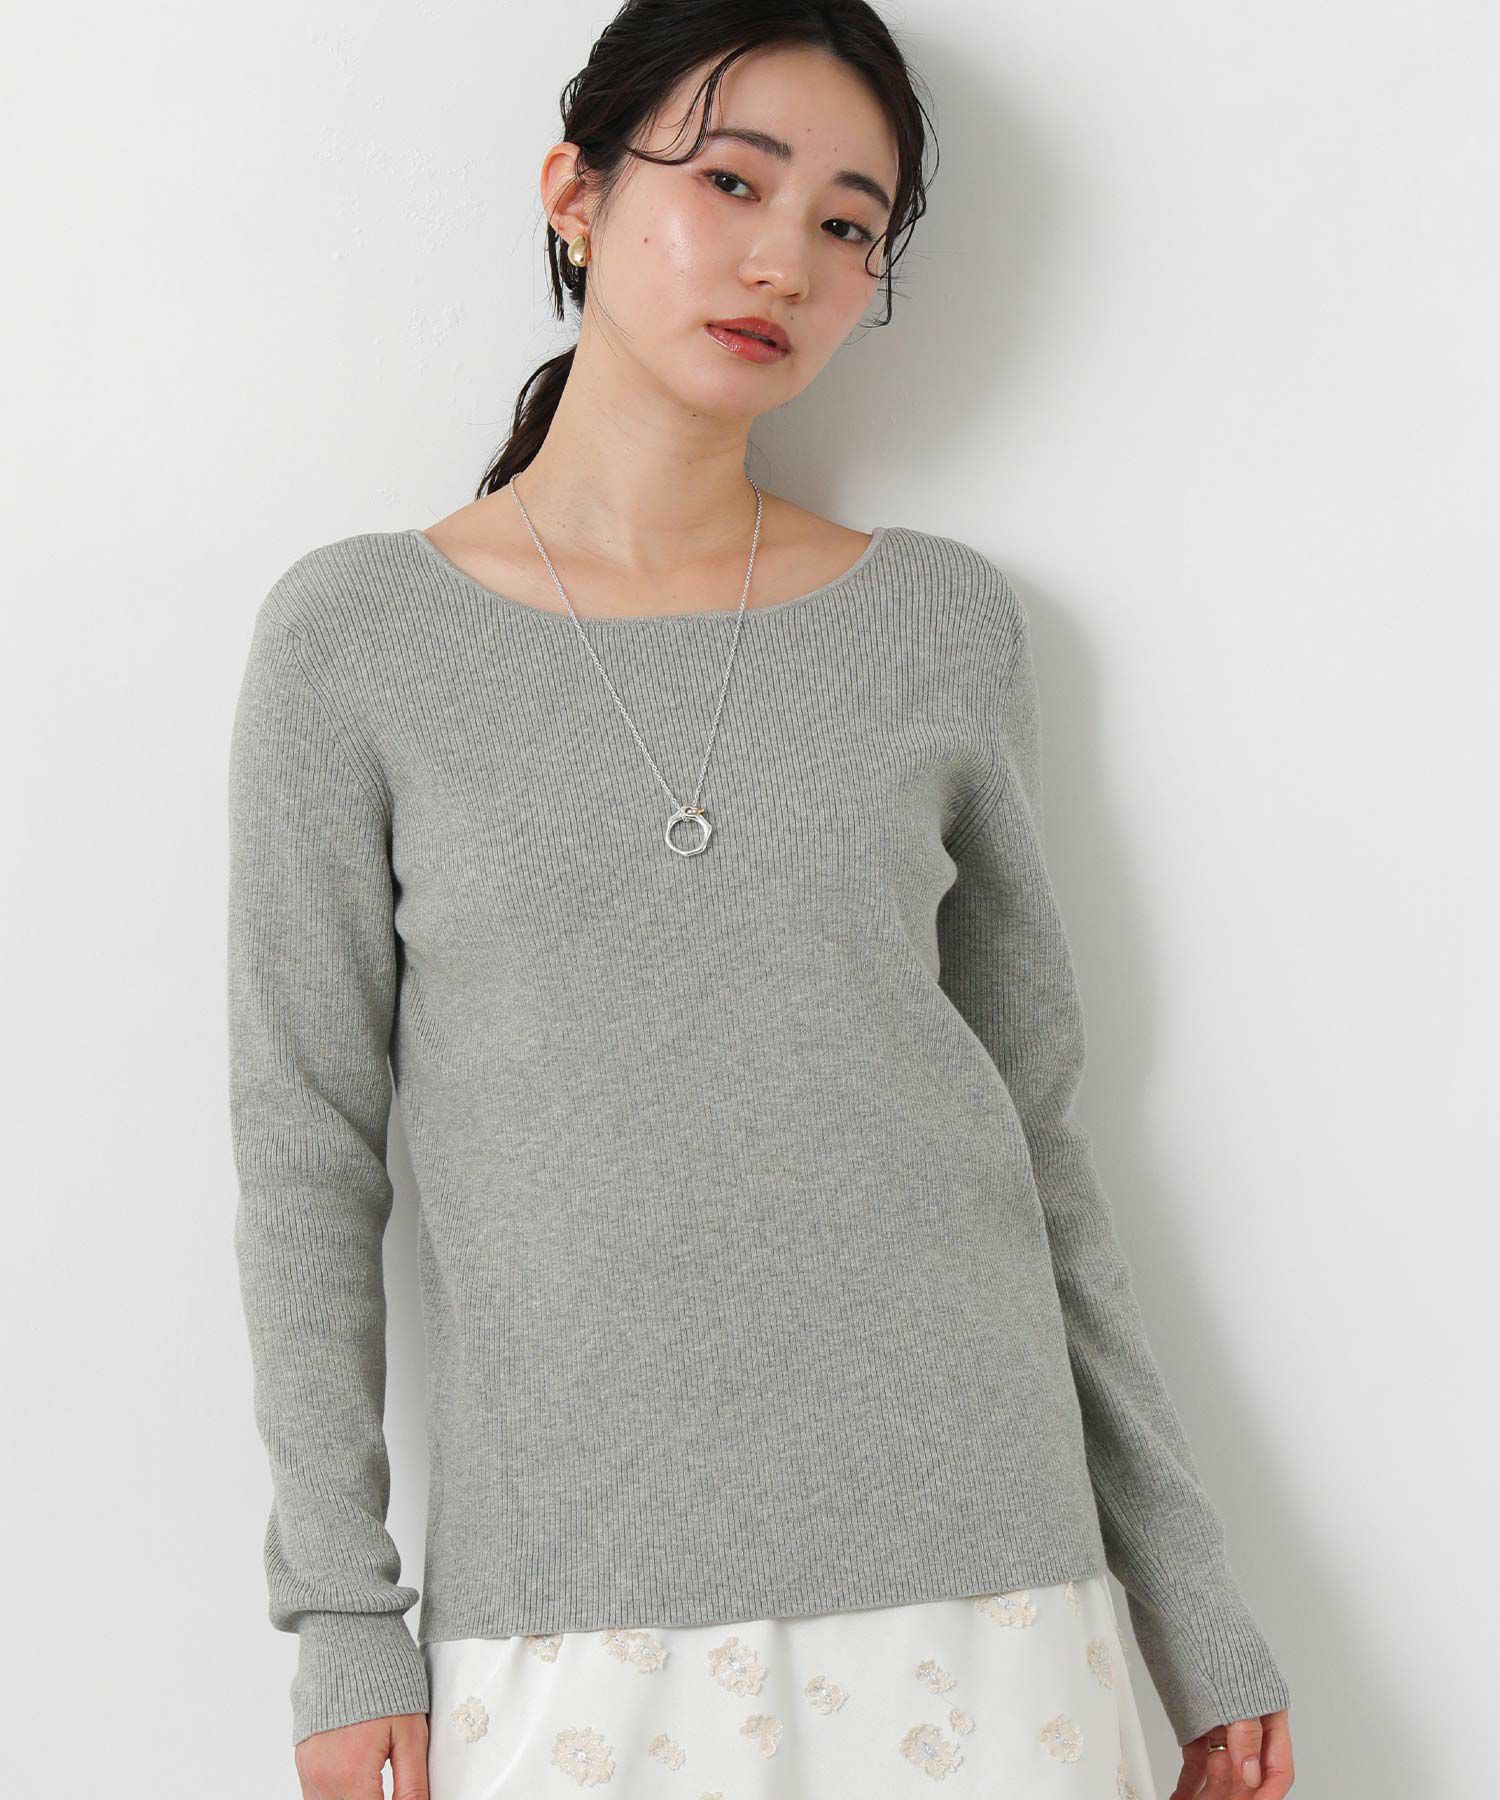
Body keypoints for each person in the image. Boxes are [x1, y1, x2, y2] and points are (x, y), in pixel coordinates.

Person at [225, 5, 1296, 1797]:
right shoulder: (358, 638)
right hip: (579, 1623)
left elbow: (1035, 1141)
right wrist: (342, 1614)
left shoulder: (938, 624)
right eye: (732, 182)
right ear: (576, 194)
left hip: (991, 1591)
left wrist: (1188, 1593)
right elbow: (303, 1150)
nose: (785, 260)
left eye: (847, 225)